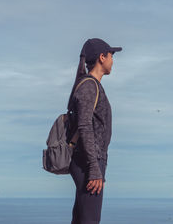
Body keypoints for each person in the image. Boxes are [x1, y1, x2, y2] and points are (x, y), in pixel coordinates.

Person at [67, 38, 122, 224]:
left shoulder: (91, 85)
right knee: (89, 220)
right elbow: (84, 126)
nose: (113, 60)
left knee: (82, 219)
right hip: (88, 162)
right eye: (111, 56)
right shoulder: (89, 86)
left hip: (89, 161)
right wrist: (94, 168)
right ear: (102, 57)